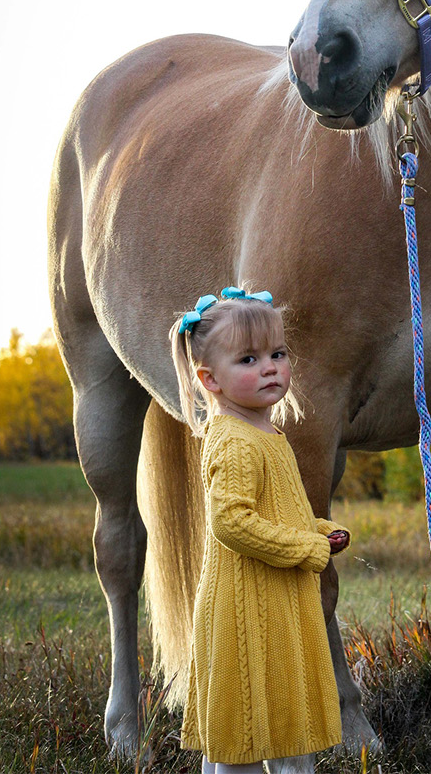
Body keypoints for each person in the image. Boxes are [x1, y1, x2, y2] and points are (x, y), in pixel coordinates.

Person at [168, 289, 350, 774]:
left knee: (282, 716)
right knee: (242, 734)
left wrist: (319, 529)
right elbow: (232, 522)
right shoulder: (232, 440)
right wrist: (308, 548)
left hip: (276, 600)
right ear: (211, 379)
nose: (270, 367)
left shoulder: (267, 434)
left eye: (278, 354)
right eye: (248, 358)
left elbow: (276, 511)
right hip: (244, 605)